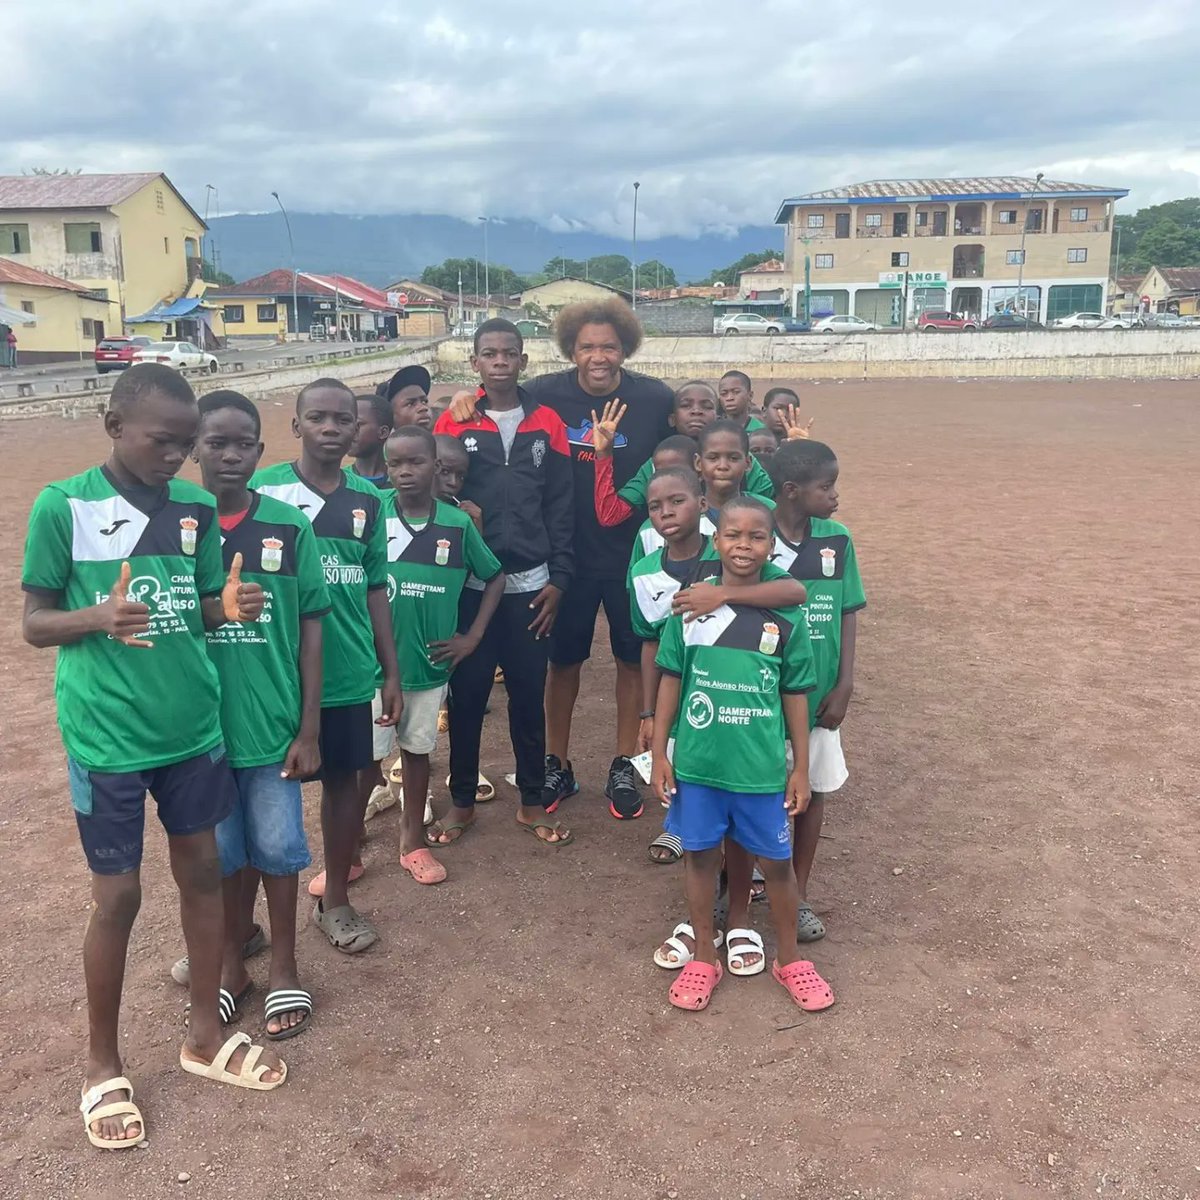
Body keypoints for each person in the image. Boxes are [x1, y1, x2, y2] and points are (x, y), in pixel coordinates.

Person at [21, 364, 284, 1150]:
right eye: (160, 440)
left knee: (203, 875)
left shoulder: (198, 508)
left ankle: (205, 1033)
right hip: (108, 735)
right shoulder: (62, 505)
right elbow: (35, 623)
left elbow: (202, 605)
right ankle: (103, 1067)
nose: (176, 455)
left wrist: (224, 605)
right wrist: (96, 616)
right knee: (120, 897)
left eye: (186, 443)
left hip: (192, 730)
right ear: (113, 425)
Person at [447, 298, 672, 815]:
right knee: (563, 662)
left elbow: (697, 433)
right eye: (587, 346)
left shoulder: (655, 398)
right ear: (570, 349)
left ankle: (622, 764)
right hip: (563, 556)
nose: (599, 356)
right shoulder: (545, 396)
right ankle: (556, 763)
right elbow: (493, 399)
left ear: (625, 349)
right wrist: (466, 398)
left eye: (609, 347)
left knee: (627, 659)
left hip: (631, 556)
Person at [650, 497, 834, 1014]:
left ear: (772, 546)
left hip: (760, 773)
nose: (744, 545)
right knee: (701, 857)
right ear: (716, 540)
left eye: (757, 537)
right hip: (699, 767)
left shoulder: (787, 619)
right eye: (734, 535)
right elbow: (670, 678)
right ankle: (704, 956)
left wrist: (799, 766)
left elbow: (795, 694)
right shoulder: (689, 608)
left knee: (776, 867)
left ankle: (791, 959)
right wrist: (662, 752)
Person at [194, 389, 329, 1038]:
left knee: (277, 848)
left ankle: (282, 966)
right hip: (199, 735)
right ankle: (228, 967)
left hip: (275, 727)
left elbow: (310, 628)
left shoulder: (286, 525)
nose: (229, 454)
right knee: (221, 856)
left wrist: (309, 726)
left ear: (260, 449)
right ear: (194, 444)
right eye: (215, 441)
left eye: (242, 443)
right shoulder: (176, 526)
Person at [252, 378, 402, 953]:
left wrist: (389, 672)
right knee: (261, 797)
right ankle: (242, 922)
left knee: (345, 789)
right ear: (296, 426)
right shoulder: (263, 490)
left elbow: (375, 590)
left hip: (347, 673)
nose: (333, 428)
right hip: (270, 676)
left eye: (344, 419)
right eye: (318, 418)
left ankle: (335, 898)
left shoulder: (368, 499)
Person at [433, 318, 575, 845]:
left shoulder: (548, 423)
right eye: (488, 353)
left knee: (526, 697)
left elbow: (562, 504)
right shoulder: (454, 422)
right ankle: (463, 800)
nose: (499, 361)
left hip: (532, 588)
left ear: (523, 361)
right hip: (470, 588)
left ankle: (533, 801)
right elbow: (432, 488)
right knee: (467, 697)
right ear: (474, 363)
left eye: (508, 353)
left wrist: (559, 578)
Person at [381, 424, 505, 878]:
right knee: (360, 761)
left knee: (417, 753)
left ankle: (412, 840)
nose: (404, 472)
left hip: (428, 665)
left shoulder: (455, 525)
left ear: (435, 467)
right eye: (395, 463)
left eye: (415, 462)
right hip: (372, 666)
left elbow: (494, 576)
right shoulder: (371, 514)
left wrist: (471, 637)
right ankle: (348, 850)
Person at [767, 439, 866, 942]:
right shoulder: (753, 532)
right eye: (826, 487)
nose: (834, 496)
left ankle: (797, 894)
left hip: (820, 694)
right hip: (759, 695)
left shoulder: (837, 538)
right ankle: (731, 886)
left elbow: (847, 610)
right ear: (790, 491)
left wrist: (845, 682)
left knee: (814, 790)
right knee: (752, 791)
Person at [612, 381, 775, 510]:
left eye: (706, 406)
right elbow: (612, 513)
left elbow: (773, 499)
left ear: (718, 418)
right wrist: (603, 454)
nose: (696, 411)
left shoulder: (738, 458)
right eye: (686, 405)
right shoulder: (660, 461)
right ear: (672, 419)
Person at [347, 393, 394, 489]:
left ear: (383, 432)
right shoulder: (340, 482)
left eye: (358, 425)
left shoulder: (401, 481)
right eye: (347, 423)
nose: (349, 431)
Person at [386, 364, 434, 431]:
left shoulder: (445, 439)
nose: (423, 408)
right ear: (391, 416)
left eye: (424, 401)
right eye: (410, 404)